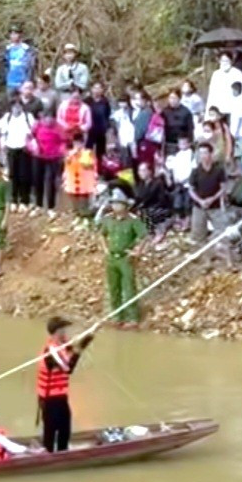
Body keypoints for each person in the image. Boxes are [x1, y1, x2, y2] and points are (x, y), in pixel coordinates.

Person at [36, 316, 95, 453]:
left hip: (60, 397)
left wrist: (90, 335)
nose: (66, 333)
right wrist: (78, 350)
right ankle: (48, 456)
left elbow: (76, 348)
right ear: (58, 332)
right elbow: (69, 368)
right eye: (64, 330)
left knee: (65, 429)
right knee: (51, 431)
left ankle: (63, 453)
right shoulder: (51, 351)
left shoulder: (62, 346)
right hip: (50, 398)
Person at [98, 189, 148, 326]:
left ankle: (132, 318)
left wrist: (138, 251)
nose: (115, 207)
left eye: (118, 204)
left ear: (125, 206)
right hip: (111, 258)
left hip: (126, 258)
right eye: (113, 204)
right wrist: (105, 249)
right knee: (113, 288)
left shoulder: (133, 221)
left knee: (129, 288)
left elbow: (144, 236)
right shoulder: (108, 219)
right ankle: (117, 316)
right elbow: (102, 234)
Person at [0, 98, 35, 211]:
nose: (16, 108)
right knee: (12, 175)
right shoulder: (7, 117)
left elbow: (33, 130)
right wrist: (4, 134)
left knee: (24, 175)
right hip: (11, 148)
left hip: (24, 149)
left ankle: (24, 200)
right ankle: (13, 199)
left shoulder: (28, 117)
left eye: (18, 105)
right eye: (14, 106)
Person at [188, 142, 229, 246]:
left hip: (215, 206)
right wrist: (200, 201)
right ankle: (203, 257)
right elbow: (191, 189)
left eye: (205, 153)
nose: (203, 156)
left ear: (211, 154)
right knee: (198, 235)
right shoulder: (195, 171)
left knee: (222, 232)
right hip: (199, 206)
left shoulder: (218, 170)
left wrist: (213, 198)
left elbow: (223, 187)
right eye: (200, 153)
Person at [31, 107, 67, 216]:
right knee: (37, 180)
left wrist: (61, 150)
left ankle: (51, 207)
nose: (47, 121)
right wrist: (33, 146)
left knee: (51, 181)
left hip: (53, 157)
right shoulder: (37, 125)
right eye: (45, 118)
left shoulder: (59, 127)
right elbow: (30, 138)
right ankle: (38, 205)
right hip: (38, 156)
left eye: (50, 118)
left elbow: (64, 141)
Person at [63, 134, 98, 224]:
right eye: (76, 143)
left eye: (79, 143)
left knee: (83, 203)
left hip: (84, 184)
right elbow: (66, 164)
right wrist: (72, 155)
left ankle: (85, 219)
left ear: (83, 143)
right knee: (75, 203)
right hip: (72, 184)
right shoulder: (69, 154)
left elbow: (90, 165)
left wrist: (81, 156)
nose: (78, 145)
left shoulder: (88, 153)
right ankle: (77, 217)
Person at [206, 51, 242, 129]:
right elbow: (212, 93)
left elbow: (238, 93)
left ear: (231, 61)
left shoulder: (237, 73)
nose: (224, 63)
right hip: (218, 109)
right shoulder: (216, 74)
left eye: (227, 60)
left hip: (232, 109)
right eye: (222, 60)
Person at [2, 24, 35, 97]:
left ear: (20, 35)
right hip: (10, 82)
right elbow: (5, 65)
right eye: (12, 34)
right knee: (10, 103)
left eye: (15, 33)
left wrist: (29, 80)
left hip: (23, 82)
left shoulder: (26, 49)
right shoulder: (8, 49)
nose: (13, 36)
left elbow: (31, 66)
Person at [162, 89, 195, 157]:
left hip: (183, 144)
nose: (172, 100)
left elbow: (190, 129)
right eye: (170, 98)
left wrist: (189, 143)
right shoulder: (164, 112)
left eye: (174, 98)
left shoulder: (186, 112)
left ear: (179, 98)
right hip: (169, 143)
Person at [86, 82, 112, 159]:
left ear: (102, 90)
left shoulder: (105, 101)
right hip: (89, 131)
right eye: (95, 88)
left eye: (99, 88)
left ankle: (100, 169)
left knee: (101, 153)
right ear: (91, 89)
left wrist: (107, 128)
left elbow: (107, 115)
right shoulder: (87, 101)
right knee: (87, 152)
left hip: (101, 131)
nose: (97, 90)